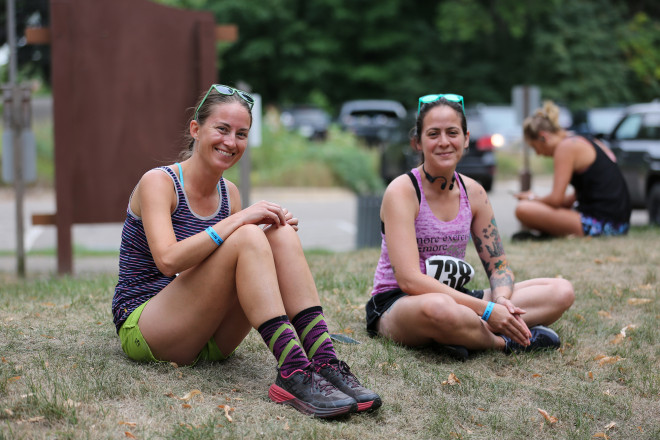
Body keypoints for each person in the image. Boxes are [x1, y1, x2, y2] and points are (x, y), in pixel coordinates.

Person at [112, 84, 381, 418]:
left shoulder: (230, 193)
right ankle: (294, 370)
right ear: (196, 129)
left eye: (241, 133)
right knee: (249, 234)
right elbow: (167, 261)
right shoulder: (160, 182)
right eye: (222, 129)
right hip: (149, 330)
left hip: (209, 337)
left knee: (278, 232)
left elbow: (228, 260)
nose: (230, 142)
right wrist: (242, 223)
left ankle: (325, 361)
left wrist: (266, 236)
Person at [365, 93, 575, 359]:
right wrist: (487, 312)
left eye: (452, 132)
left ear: (466, 138)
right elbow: (409, 280)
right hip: (400, 304)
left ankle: (459, 334)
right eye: (433, 134)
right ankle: (505, 342)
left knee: (560, 291)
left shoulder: (473, 192)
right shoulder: (402, 191)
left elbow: (499, 265)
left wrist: (500, 301)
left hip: (458, 299)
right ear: (417, 142)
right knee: (440, 309)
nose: (444, 142)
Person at [513, 101, 631, 239]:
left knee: (523, 209)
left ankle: (552, 234)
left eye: (535, 147)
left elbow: (556, 200)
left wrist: (532, 198)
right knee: (531, 207)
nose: (538, 153)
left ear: (543, 136)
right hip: (619, 224)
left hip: (602, 225)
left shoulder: (566, 147)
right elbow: (572, 199)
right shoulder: (582, 139)